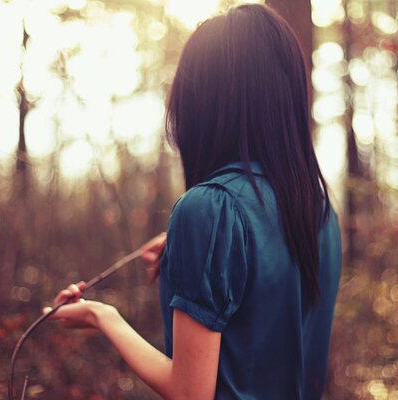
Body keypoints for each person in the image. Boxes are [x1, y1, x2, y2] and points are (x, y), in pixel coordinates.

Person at [45, 4, 342, 399]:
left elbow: (190, 392)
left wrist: (102, 315)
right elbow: (268, 304)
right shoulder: (319, 209)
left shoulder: (209, 209)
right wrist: (188, 254)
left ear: (203, 102)